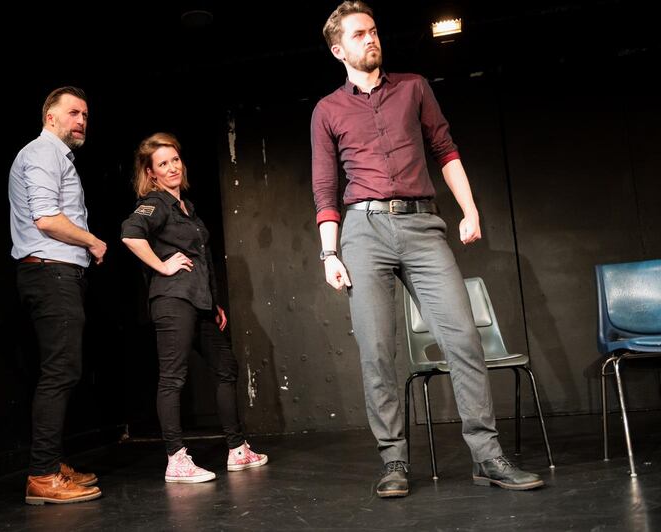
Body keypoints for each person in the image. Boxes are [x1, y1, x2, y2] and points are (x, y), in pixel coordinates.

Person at [311, 1, 544, 497]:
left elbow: (445, 149)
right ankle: (393, 461)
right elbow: (325, 188)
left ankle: (487, 457)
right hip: (362, 231)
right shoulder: (328, 110)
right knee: (377, 352)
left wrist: (470, 209)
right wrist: (330, 254)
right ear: (338, 49)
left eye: (374, 31)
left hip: (421, 225)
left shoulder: (414, 88)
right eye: (359, 35)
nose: (371, 39)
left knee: (463, 339)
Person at [121, 132, 268, 483]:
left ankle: (237, 450)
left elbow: (202, 259)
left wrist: (213, 302)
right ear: (151, 172)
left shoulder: (187, 207)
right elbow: (129, 233)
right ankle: (176, 460)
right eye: (163, 164)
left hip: (199, 302)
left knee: (225, 366)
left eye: (175, 160)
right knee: (173, 377)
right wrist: (162, 265)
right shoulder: (155, 203)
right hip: (173, 300)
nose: (172, 167)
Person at [9, 86, 107, 505]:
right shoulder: (42, 153)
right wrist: (93, 242)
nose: (81, 120)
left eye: (85, 114)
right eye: (73, 113)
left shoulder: (55, 156)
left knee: (62, 370)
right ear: (50, 117)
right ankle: (42, 475)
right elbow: (47, 219)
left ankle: (49, 462)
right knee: (60, 371)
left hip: (56, 275)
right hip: (50, 274)